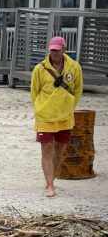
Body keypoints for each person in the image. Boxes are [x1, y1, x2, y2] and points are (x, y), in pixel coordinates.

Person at [30, 36, 83, 197]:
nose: (54, 52)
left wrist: (70, 106)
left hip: (65, 117)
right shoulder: (40, 69)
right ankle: (49, 185)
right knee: (46, 148)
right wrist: (39, 109)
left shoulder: (74, 67)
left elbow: (78, 89)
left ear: (64, 49)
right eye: (52, 49)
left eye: (57, 49)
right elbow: (34, 91)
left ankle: (51, 179)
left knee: (60, 148)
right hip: (45, 116)